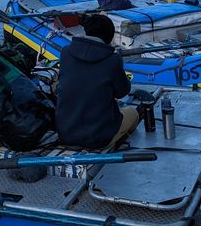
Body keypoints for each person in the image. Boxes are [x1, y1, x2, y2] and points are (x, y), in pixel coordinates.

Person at [55, 14, 139, 149]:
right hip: (98, 138)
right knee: (133, 113)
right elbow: (123, 92)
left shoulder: (65, 53)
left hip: (65, 133)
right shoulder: (113, 60)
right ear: (110, 37)